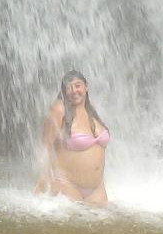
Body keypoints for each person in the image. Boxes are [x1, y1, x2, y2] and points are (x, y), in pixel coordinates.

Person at [34, 69, 109, 205]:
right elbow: (46, 146)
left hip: (97, 190)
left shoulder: (92, 110)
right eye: (69, 88)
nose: (74, 91)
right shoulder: (59, 110)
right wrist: (43, 178)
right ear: (64, 92)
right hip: (68, 187)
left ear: (86, 87)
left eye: (78, 85)